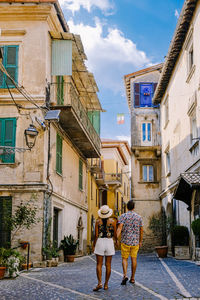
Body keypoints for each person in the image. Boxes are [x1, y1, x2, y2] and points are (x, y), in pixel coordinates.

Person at [117, 200, 143, 285]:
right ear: (134, 207)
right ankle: (132, 278)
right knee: (134, 259)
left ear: (127, 207)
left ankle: (124, 275)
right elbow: (141, 230)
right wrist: (140, 241)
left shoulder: (123, 216)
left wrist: (116, 238)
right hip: (135, 242)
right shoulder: (139, 217)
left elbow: (120, 228)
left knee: (125, 259)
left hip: (125, 241)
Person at [93, 205, 117, 291]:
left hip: (100, 241)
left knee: (99, 264)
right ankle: (106, 284)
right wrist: (116, 241)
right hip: (109, 242)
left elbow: (96, 235)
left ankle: (99, 283)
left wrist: (94, 244)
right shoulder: (113, 221)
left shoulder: (97, 221)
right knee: (108, 264)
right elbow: (115, 234)